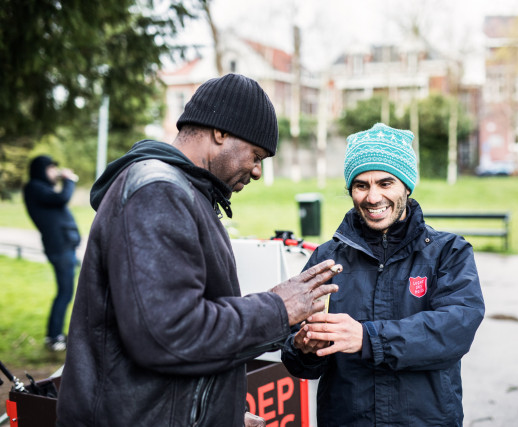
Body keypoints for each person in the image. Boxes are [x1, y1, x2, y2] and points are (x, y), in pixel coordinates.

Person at [56, 74, 341, 426]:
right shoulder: (157, 193)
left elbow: (190, 334)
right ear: (220, 132)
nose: (256, 172)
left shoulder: (188, 194)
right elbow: (168, 335)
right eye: (256, 155)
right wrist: (279, 308)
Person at [281, 123, 485, 426]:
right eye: (361, 185)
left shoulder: (448, 252)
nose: (373, 197)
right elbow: (297, 356)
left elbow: (455, 329)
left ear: (407, 186)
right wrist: (304, 348)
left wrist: (367, 338)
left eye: (385, 183)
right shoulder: (327, 257)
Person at [23, 155, 81, 352]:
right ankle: (54, 336)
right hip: (60, 248)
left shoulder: (41, 189)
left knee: (66, 292)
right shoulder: (34, 188)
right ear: (41, 170)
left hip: (65, 247)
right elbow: (62, 198)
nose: (54, 172)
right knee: (65, 293)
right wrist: (69, 180)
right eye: (50, 168)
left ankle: (55, 334)